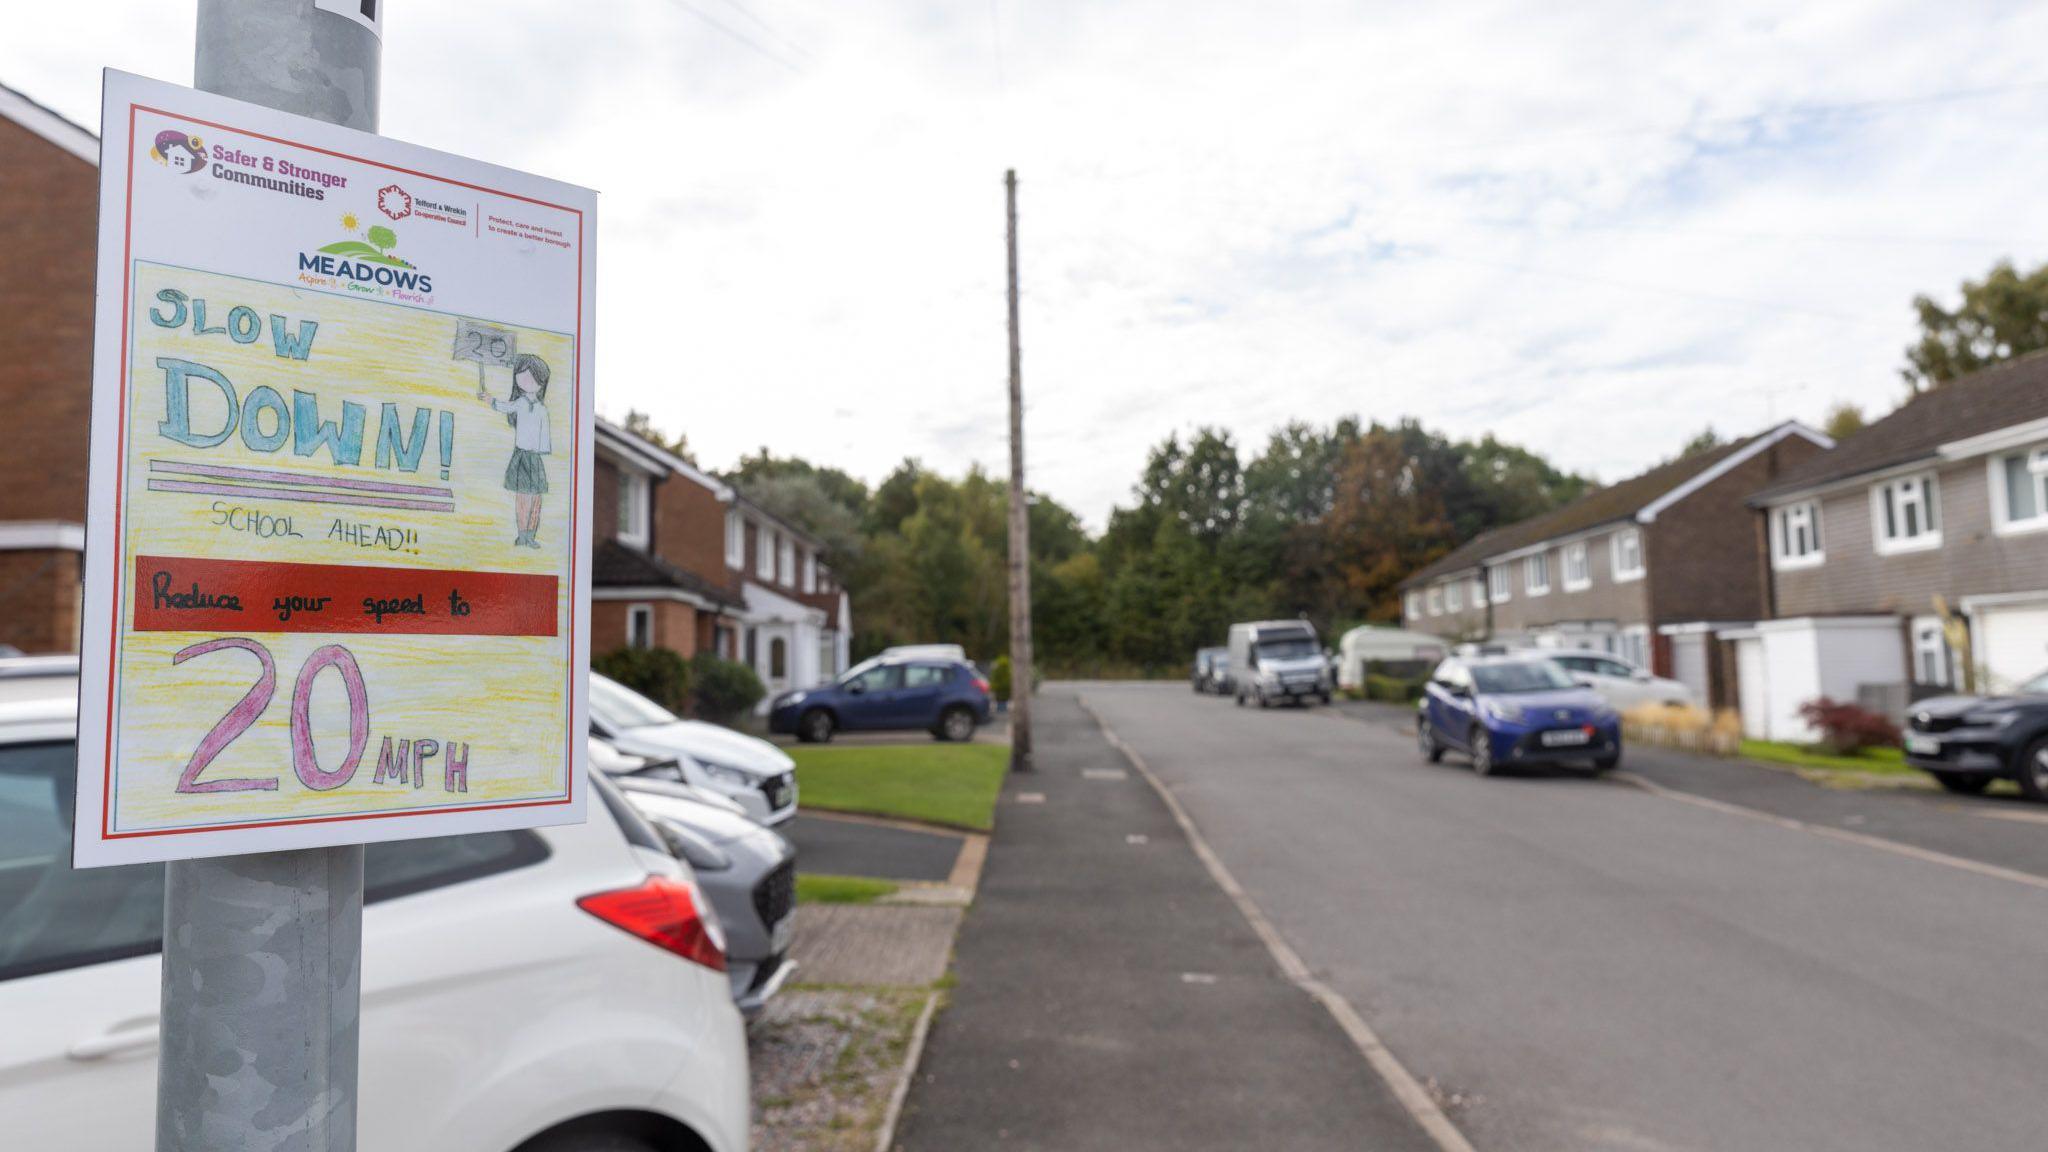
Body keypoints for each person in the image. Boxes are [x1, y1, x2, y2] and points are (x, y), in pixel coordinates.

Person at [478, 353, 551, 548]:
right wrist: (490, 400)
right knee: (522, 498)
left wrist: (541, 451)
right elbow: (506, 406)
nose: (525, 380)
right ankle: (522, 535)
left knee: (536, 500)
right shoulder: (519, 403)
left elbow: (544, 435)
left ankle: (530, 536)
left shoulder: (542, 409)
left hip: (535, 458)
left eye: (531, 376)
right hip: (521, 456)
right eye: (521, 375)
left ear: (541, 380)